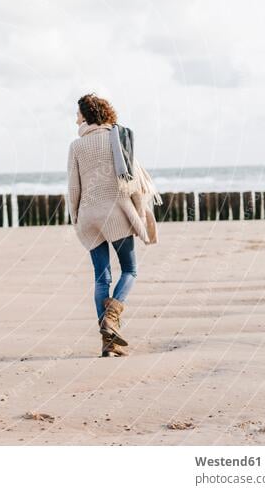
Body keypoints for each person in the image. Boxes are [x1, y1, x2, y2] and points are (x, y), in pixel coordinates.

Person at [67, 93, 159, 357]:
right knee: (130, 269)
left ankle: (109, 343)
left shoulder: (76, 146)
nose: (75, 119)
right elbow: (133, 183)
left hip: (89, 216)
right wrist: (139, 214)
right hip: (116, 214)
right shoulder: (118, 138)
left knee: (101, 277)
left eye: (77, 114)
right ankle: (111, 319)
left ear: (86, 115)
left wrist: (77, 218)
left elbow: (74, 188)